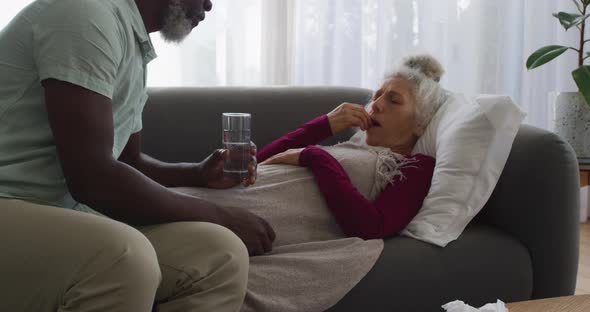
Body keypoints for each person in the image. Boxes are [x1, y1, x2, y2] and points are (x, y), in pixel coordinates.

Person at [0, 0, 274, 311]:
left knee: (220, 254)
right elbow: (93, 179)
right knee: (123, 256)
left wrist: (196, 173)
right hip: (9, 201)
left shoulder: (132, 44)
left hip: (64, 213)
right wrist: (221, 216)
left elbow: (127, 163)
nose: (209, 5)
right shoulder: (85, 12)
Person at [256, 54, 448, 239]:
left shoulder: (417, 167)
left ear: (421, 122)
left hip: (254, 218)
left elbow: (373, 227)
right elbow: (255, 163)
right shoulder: (352, 148)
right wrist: (325, 125)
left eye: (394, 100)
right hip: (240, 193)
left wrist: (314, 156)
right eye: (377, 96)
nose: (376, 105)